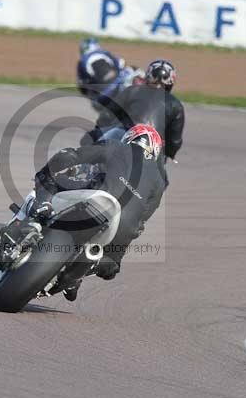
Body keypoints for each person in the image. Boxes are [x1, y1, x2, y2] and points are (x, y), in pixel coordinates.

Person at [32, 124, 168, 301]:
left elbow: (75, 155)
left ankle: (39, 210)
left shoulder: (116, 146)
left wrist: (49, 172)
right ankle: (79, 273)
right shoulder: (158, 180)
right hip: (123, 229)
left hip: (94, 206)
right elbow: (143, 218)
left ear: (131, 137)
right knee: (110, 268)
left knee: (49, 182)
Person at [83, 59, 185, 162]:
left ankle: (83, 166)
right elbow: (174, 142)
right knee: (161, 177)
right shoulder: (176, 105)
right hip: (152, 153)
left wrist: (97, 132)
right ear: (171, 81)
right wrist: (169, 153)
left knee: (90, 142)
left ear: (149, 75)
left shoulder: (132, 91)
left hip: (123, 143)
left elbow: (107, 116)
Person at [76, 38, 126, 104]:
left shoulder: (81, 61)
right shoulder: (104, 52)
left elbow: (82, 85)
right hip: (118, 82)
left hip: (103, 93)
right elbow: (121, 63)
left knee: (96, 104)